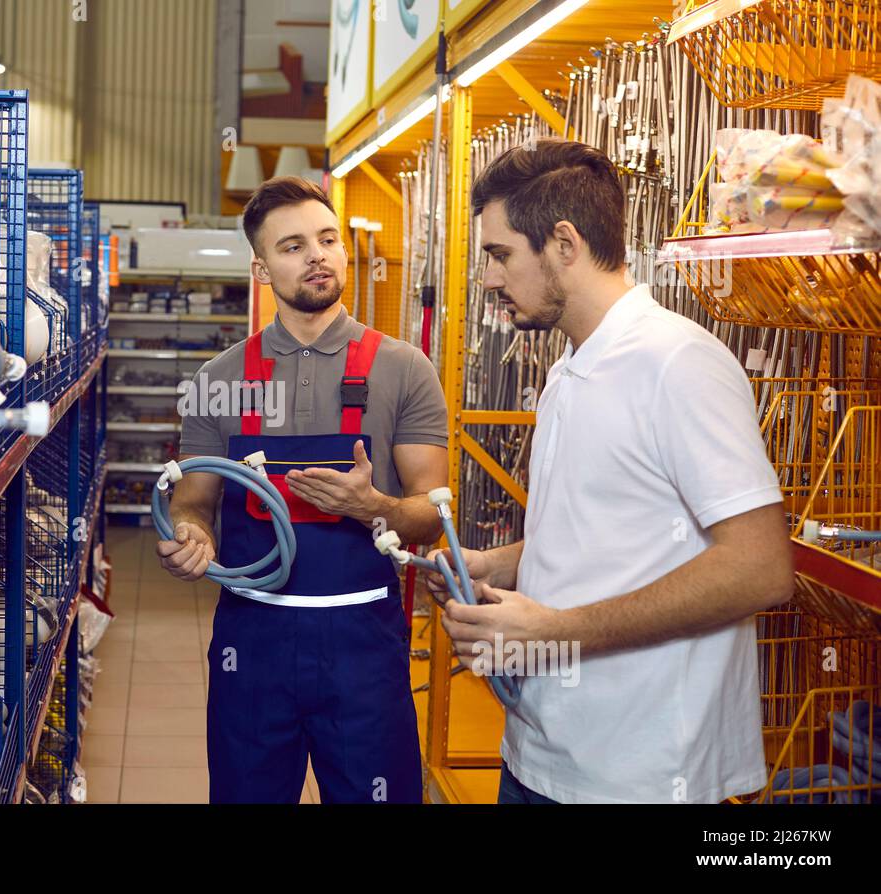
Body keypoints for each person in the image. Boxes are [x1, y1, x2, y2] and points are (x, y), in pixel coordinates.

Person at [428, 139, 794, 804]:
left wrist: (554, 630)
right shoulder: (570, 370)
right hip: (540, 751)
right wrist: (501, 564)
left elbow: (759, 568)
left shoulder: (678, 364)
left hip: (638, 776)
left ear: (563, 244)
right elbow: (610, 533)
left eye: (500, 253)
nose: (488, 279)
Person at [155, 176, 450, 803]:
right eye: (292, 247)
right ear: (261, 270)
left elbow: (434, 514)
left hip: (364, 644)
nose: (317, 255)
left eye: (327, 239)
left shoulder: (405, 370)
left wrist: (374, 508)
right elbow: (196, 498)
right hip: (253, 643)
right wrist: (192, 535)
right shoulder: (219, 379)